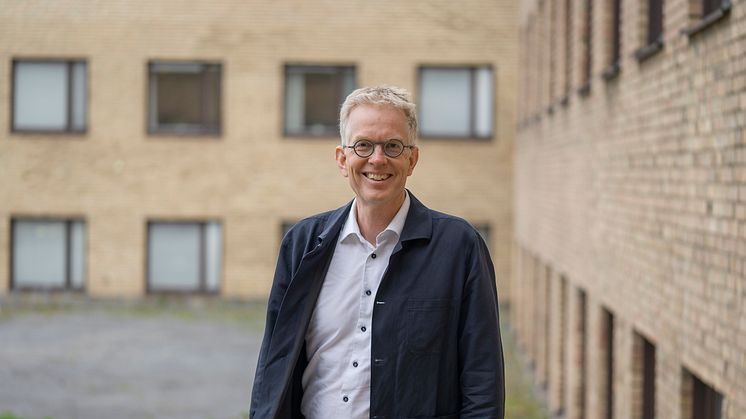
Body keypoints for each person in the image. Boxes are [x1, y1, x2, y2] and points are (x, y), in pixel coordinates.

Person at [250, 86, 504, 419]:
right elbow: (273, 366)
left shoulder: (460, 247)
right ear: (343, 159)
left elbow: (482, 381)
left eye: (393, 146)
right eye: (363, 145)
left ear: (412, 159)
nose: (378, 159)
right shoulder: (302, 244)